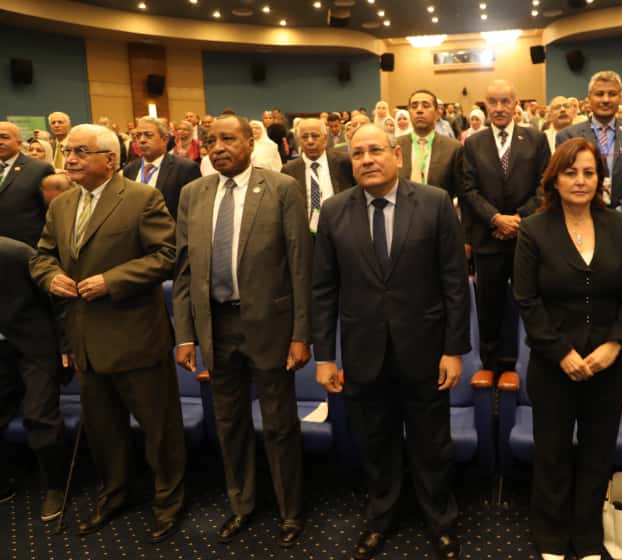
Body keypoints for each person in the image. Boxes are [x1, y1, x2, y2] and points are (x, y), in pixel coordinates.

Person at [312, 124, 470, 560]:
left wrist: (454, 349)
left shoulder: (435, 203)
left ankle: (440, 520)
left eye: (376, 150)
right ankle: (381, 517)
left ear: (397, 156)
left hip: (426, 348)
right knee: (376, 441)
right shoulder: (333, 211)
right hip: (363, 350)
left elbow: (455, 283)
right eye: (358, 153)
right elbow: (323, 289)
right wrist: (324, 356)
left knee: (431, 443)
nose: (367, 159)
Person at [29, 124, 186, 543]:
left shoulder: (141, 198)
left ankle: (168, 502)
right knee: (104, 432)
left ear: (110, 159)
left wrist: (112, 281)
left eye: (81, 151)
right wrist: (50, 277)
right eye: (68, 150)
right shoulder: (62, 204)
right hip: (85, 340)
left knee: (159, 430)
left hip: (136, 336)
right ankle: (113, 495)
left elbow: (168, 254)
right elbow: (42, 256)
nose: (71, 158)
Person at [173, 115, 311, 548]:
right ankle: (242, 505)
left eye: (227, 139)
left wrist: (301, 334)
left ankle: (290, 510)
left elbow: (300, 265)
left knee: (279, 424)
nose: (217, 148)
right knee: (229, 423)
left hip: (271, 325)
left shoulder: (282, 188)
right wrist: (185, 335)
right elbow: (184, 270)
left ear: (250, 142)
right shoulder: (193, 194)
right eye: (211, 141)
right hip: (216, 326)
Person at [514, 137, 622, 560]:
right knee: (551, 452)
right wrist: (561, 353)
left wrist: (614, 344)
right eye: (570, 172)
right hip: (553, 363)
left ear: (600, 179)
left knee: (597, 453)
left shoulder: (621, 226)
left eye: (589, 172)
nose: (580, 180)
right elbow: (527, 300)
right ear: (554, 179)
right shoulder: (534, 229)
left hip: (608, 363)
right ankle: (551, 536)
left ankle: (587, 537)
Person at [460, 79, 551, 373]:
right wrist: (496, 218)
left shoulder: (536, 139)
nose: (499, 108)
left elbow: (545, 186)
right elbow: (468, 190)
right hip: (488, 240)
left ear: (516, 104)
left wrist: (518, 219)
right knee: (489, 310)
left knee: (531, 305)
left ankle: (532, 368)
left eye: (505, 102)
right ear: (485, 105)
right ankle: (491, 372)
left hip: (528, 239)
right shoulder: (473, 143)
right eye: (493, 102)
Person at [0, 236, 67, 522]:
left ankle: (54, 487)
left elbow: (58, 300)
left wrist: (66, 346)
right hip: (1, 351)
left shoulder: (16, 253)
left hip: (36, 346)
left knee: (39, 414)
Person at [557, 70, 622, 243]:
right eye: (599, 94)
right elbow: (563, 180)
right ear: (589, 98)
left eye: (612, 94)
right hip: (582, 224)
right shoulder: (568, 136)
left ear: (620, 98)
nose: (606, 99)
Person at [282, 118, 354, 234]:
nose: (310, 141)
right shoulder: (289, 170)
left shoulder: (344, 163)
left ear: (325, 138)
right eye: (304, 137)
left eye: (315, 136)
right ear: (299, 141)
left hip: (341, 229)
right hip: (306, 233)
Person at [121, 116, 201, 221]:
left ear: (164, 139)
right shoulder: (130, 169)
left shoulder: (185, 169)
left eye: (148, 135)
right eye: (138, 136)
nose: (142, 140)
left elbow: (194, 212)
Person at [397, 89, 464, 200]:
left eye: (425, 105)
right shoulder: (396, 146)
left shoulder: (453, 148)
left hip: (439, 209)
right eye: (414, 106)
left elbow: (461, 191)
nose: (419, 110)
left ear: (437, 114)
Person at [0, 122, 54, 248]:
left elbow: (51, 213)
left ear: (19, 143)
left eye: (5, 137)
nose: (0, 142)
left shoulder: (39, 169)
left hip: (25, 248)